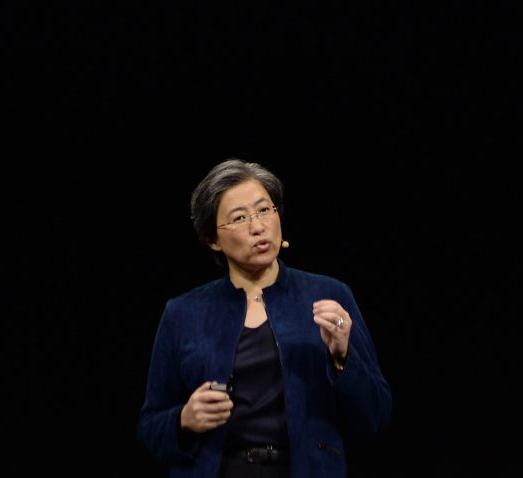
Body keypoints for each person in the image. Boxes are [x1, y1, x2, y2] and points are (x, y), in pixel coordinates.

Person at [138, 158, 392, 477]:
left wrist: (342, 358)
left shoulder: (330, 294)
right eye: (239, 218)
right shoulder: (182, 313)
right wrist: (183, 420)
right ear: (212, 239)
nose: (257, 226)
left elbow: (376, 415)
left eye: (264, 210)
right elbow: (150, 429)